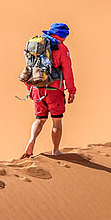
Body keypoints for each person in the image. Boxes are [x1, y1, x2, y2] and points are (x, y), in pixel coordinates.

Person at [23, 22, 76, 157]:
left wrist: (30, 89)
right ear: (62, 35)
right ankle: (55, 150)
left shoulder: (36, 46)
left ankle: (32, 140)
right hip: (54, 90)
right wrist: (71, 90)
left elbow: (29, 68)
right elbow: (67, 71)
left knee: (40, 119)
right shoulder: (61, 48)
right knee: (57, 121)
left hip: (36, 87)